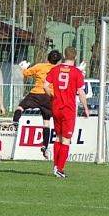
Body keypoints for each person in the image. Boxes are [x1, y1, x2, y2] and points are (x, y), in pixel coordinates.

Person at [44, 47, 89, 179]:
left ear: (64, 55)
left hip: (56, 107)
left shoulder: (55, 69)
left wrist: (52, 96)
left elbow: (45, 85)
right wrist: (85, 108)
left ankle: (55, 166)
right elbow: (80, 92)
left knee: (58, 137)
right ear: (75, 57)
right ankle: (60, 168)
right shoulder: (77, 72)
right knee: (66, 139)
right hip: (68, 109)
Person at [14, 49, 62, 158]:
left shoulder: (40, 66)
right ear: (58, 60)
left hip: (36, 94)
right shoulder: (58, 69)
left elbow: (26, 73)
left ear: (47, 58)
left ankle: (16, 121)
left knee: (21, 107)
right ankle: (45, 145)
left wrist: (24, 67)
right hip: (49, 96)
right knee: (46, 122)